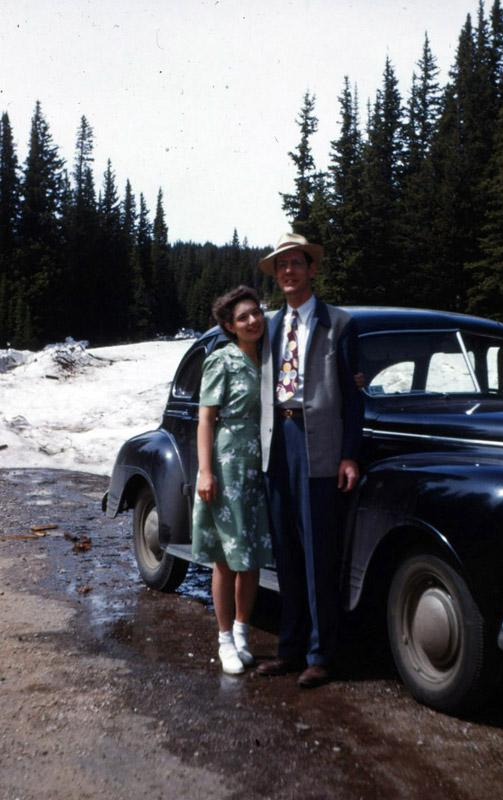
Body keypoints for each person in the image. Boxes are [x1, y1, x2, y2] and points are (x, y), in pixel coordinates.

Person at [256, 233, 363, 688]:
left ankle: (320, 654)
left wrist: (349, 455)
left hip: (318, 442)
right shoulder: (269, 326)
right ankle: (290, 648)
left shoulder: (338, 323)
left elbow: (355, 400)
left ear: (311, 269)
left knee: (319, 549)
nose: (288, 272)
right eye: (281, 266)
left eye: (296, 264)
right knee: (285, 549)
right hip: (277, 439)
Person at [191, 286, 273, 675]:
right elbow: (206, 419)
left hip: (263, 464)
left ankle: (243, 632)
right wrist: (206, 471)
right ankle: (225, 639)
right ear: (229, 325)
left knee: (252, 554)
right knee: (226, 558)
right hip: (228, 463)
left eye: (256, 313)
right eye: (243, 317)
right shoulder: (221, 360)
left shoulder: (271, 357)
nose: (253, 321)